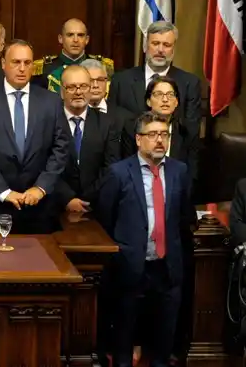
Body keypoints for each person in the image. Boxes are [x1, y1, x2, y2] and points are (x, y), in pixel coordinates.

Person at [98, 112, 195, 367]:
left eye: (164, 135)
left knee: (163, 342)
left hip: (167, 266)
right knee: (124, 340)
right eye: (153, 135)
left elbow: (184, 218)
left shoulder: (179, 171)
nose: (160, 141)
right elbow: (106, 218)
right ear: (139, 139)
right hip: (130, 266)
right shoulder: (118, 173)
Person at [0, 39, 70, 234]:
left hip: (39, 209)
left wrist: (40, 188)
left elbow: (61, 149)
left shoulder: (51, 102)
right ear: (3, 64)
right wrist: (4, 193)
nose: (22, 68)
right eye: (16, 62)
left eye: (27, 63)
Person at [109, 21, 202, 133]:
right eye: (155, 43)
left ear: (173, 49)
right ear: (145, 46)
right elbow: (112, 127)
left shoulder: (189, 84)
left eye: (166, 45)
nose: (160, 50)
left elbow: (191, 131)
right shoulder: (121, 81)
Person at [55, 65, 120, 218]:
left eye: (83, 86)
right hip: (55, 206)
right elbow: (43, 163)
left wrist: (86, 199)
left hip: (96, 209)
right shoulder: (49, 121)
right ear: (62, 92)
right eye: (71, 87)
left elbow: (110, 166)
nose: (78, 92)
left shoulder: (107, 123)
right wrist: (67, 198)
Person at [33, 18, 114, 92]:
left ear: (87, 40)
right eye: (70, 35)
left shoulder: (101, 66)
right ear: (60, 39)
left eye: (80, 35)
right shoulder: (45, 67)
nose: (75, 40)